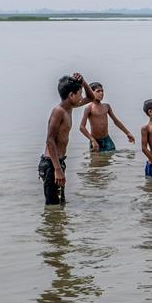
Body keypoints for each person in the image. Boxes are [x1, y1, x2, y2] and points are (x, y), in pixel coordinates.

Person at [38, 73, 96, 205]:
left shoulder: (70, 107)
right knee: (52, 206)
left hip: (58, 162)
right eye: (79, 93)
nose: (81, 97)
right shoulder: (59, 111)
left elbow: (91, 97)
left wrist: (83, 81)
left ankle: (60, 226)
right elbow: (50, 140)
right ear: (71, 95)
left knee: (60, 204)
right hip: (51, 165)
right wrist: (57, 170)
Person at [78, 82, 135, 152]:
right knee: (96, 162)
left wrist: (128, 133)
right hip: (95, 141)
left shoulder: (106, 106)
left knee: (109, 161)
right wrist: (92, 140)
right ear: (91, 92)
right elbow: (82, 127)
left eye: (102, 91)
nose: (101, 93)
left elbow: (116, 121)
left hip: (107, 140)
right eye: (98, 91)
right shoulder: (89, 108)